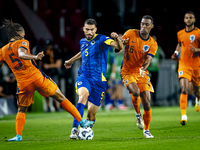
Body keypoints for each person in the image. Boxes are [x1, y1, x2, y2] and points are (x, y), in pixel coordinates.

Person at [0, 19, 94, 141]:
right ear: (18, 35)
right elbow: (21, 54)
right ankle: (82, 122)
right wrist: (34, 56)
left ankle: (18, 136)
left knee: (21, 109)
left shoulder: (2, 51)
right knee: (60, 97)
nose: (24, 36)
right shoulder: (22, 42)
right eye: (23, 34)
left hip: (22, 83)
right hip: (36, 77)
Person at [64, 18, 123, 139]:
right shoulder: (82, 41)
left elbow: (118, 46)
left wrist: (116, 38)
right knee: (83, 96)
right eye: (87, 29)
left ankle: (86, 130)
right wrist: (70, 61)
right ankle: (75, 129)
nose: (89, 32)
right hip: (84, 76)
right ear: (83, 29)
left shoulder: (102, 39)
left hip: (99, 81)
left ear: (95, 29)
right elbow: (82, 52)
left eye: (91, 30)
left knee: (91, 115)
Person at [119, 15, 158, 138]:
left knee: (147, 102)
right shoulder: (131, 33)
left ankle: (146, 130)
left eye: (146, 24)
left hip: (141, 72)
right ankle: (137, 115)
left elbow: (148, 60)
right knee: (135, 92)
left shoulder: (152, 43)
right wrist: (118, 41)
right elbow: (121, 44)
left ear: (151, 26)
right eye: (142, 23)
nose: (143, 26)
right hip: (127, 71)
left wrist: (143, 68)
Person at [171, 11, 200, 125]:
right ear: (184, 20)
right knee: (184, 89)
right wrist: (175, 53)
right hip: (183, 64)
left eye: (190, 18)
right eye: (186, 18)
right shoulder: (180, 33)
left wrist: (197, 50)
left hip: (196, 65)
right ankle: (183, 116)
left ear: (194, 20)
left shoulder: (198, 33)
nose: (188, 20)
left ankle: (198, 98)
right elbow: (179, 44)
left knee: (196, 90)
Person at [42, 39, 62, 112]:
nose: (49, 47)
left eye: (50, 45)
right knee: (45, 91)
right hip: (46, 74)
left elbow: (58, 64)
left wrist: (49, 66)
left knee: (56, 90)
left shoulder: (56, 51)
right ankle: (48, 107)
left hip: (55, 74)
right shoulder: (44, 52)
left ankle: (58, 107)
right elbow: (42, 65)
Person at [147, 35, 165, 106]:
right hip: (149, 70)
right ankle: (148, 101)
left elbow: (162, 55)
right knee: (148, 86)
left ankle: (154, 101)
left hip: (155, 70)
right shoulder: (147, 47)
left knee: (154, 86)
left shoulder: (158, 47)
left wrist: (160, 62)